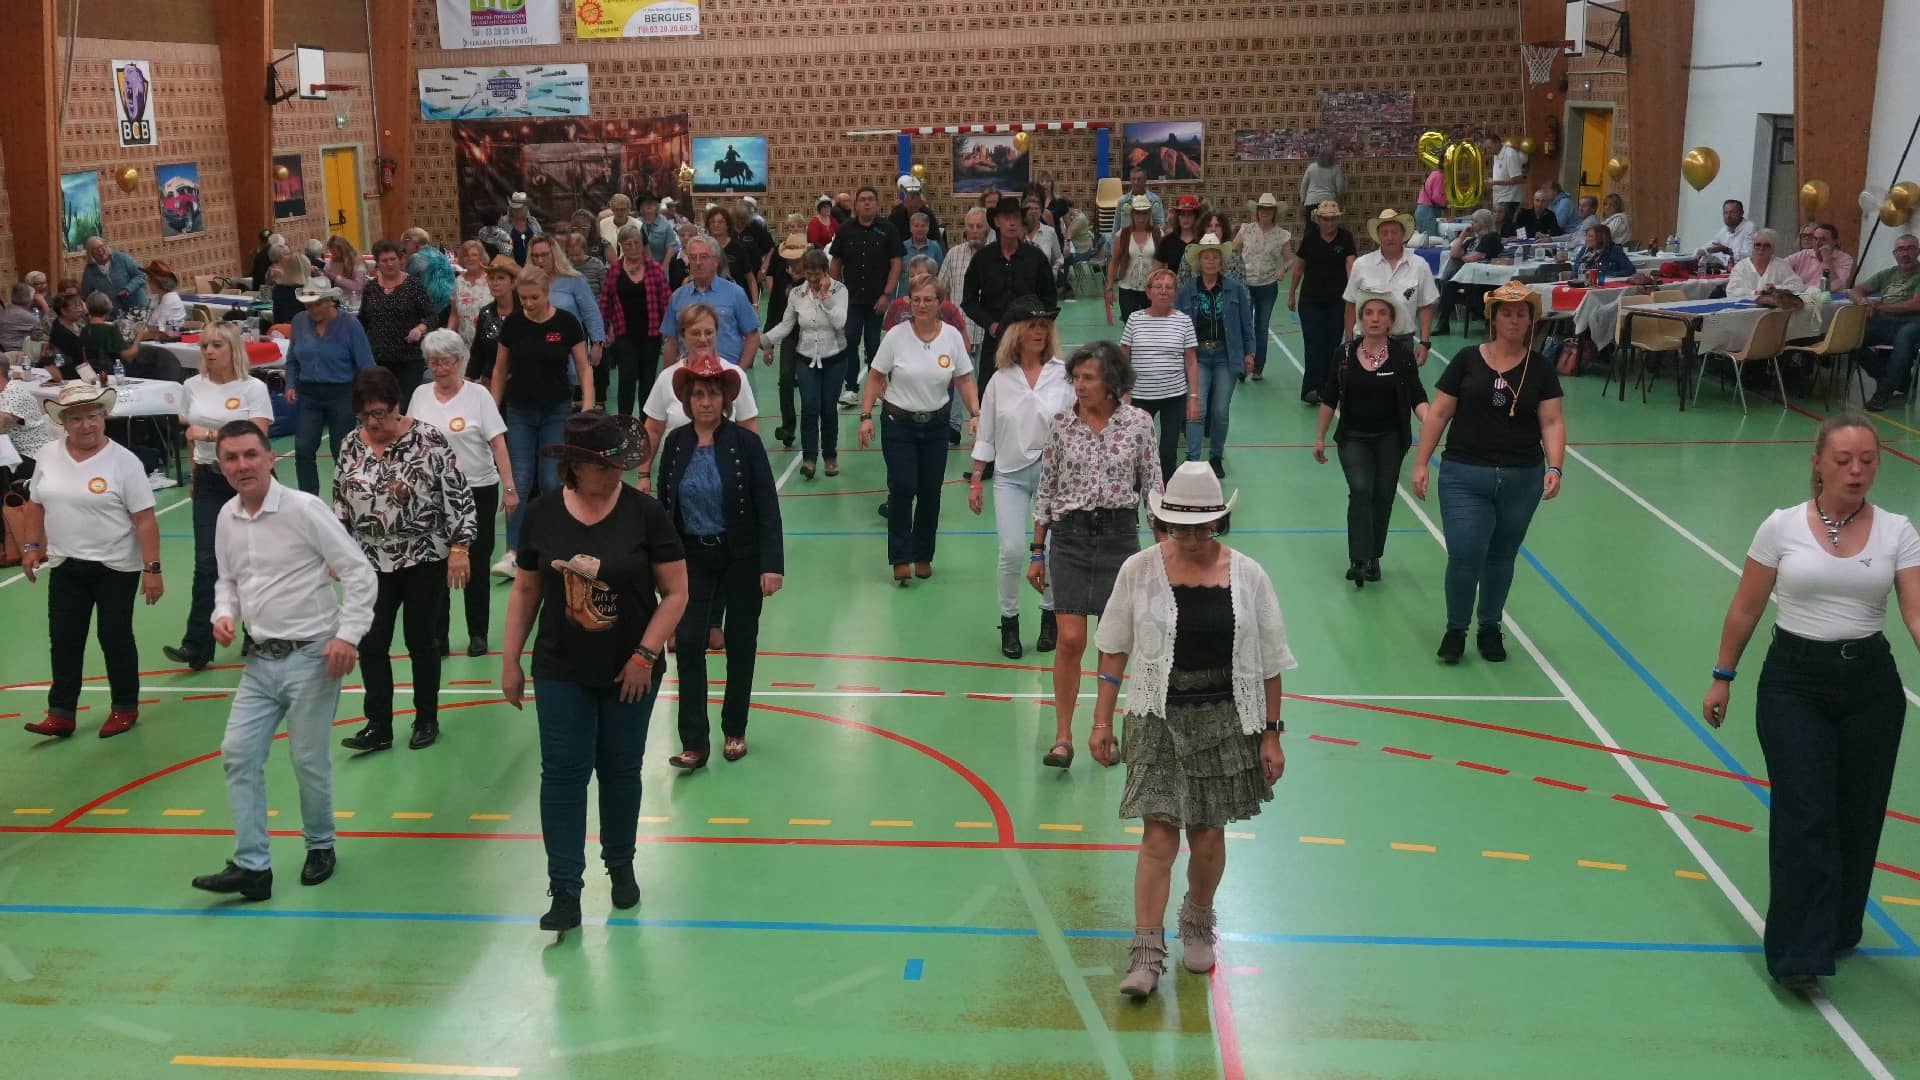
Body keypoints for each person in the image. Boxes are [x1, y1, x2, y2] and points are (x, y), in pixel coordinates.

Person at [1699, 414, 1920, 995]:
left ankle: (1841, 924)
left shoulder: (1899, 530)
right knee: (1805, 811)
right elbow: (1746, 607)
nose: (1856, 470)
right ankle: (1797, 953)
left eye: (1868, 460)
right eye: (1844, 459)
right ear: (1818, 462)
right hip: (1792, 682)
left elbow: (1916, 614)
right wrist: (1723, 675)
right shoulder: (1780, 527)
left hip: (1871, 685)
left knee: (1858, 810)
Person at [1090, 461, 1291, 998]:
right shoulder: (1138, 569)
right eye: (1180, 526)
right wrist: (1101, 719)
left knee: (1207, 834)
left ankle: (1198, 921)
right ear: (1164, 523)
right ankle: (1146, 953)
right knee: (1158, 835)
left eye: (1201, 527)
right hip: (1158, 716)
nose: (1191, 536)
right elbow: (1113, 647)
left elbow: (1271, 660)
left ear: (1218, 523)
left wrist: (1271, 733)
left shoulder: (1248, 575)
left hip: (1227, 719)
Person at [502, 411, 688, 933]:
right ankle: (565, 888)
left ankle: (621, 864)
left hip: (632, 668)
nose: (616, 474)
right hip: (561, 667)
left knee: (621, 769)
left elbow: (676, 594)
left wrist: (644, 657)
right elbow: (525, 590)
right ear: (575, 468)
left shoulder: (646, 514)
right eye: (605, 466)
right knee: (562, 773)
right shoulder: (541, 515)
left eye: (621, 465)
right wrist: (510, 658)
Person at [187, 421, 377, 902]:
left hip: (313, 657)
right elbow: (226, 581)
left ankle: (320, 844)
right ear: (222, 465)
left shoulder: (304, 509)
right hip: (259, 660)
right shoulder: (227, 517)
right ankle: (253, 866)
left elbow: (359, 573)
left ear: (272, 458)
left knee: (307, 760)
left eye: (250, 454)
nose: (241, 465)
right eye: (230, 458)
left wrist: (347, 636)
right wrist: (224, 614)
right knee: (238, 753)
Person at [1411, 280, 1567, 665]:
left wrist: (1555, 466)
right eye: (1507, 313)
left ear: (1531, 320)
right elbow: (1440, 413)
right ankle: (1456, 628)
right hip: (1464, 474)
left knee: (1502, 556)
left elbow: (1551, 421)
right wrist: (1420, 462)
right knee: (1464, 554)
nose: (1514, 320)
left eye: (1521, 314)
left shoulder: (1542, 368)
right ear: (1493, 318)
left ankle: (1491, 627)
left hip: (1522, 477)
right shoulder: (1466, 359)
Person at [1029, 341, 1161, 768]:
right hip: (1069, 537)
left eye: (1089, 378)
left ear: (1112, 382)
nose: (1079, 385)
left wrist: (1163, 554)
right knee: (1070, 639)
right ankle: (1062, 736)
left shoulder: (1139, 424)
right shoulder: (1062, 424)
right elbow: (1047, 488)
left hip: (1120, 538)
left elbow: (1153, 488)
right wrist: (1037, 549)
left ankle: (1102, 729)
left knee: (1112, 641)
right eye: (1077, 377)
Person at [333, 367, 475, 753]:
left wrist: (460, 549)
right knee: (371, 641)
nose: (373, 423)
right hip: (369, 560)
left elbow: (458, 497)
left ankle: (426, 718)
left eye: (379, 413)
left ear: (397, 406)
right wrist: (336, 550)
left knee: (421, 641)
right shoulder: (350, 444)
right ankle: (378, 724)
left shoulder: (428, 439)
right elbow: (340, 501)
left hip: (423, 556)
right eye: (364, 416)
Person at [657, 356, 784, 769]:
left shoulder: (744, 443)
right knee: (689, 642)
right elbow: (665, 508)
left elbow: (767, 502)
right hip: (692, 556)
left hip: (741, 556)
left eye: (713, 394)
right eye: (698, 394)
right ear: (688, 400)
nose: (706, 402)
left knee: (741, 643)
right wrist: (660, 565)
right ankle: (694, 742)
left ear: (726, 399)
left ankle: (735, 729)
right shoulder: (675, 444)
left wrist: (772, 564)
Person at [17, 381, 161, 739]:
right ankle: (61, 713)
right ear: (63, 422)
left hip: (116, 565)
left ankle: (125, 706)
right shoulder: (48, 455)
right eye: (77, 418)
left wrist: (152, 569)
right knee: (64, 638)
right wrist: (32, 545)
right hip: (66, 564)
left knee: (114, 637)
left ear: (104, 417)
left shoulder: (125, 462)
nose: (86, 425)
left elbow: (144, 519)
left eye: (93, 416)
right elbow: (36, 502)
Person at [162, 323, 272, 671]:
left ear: (233, 349)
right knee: (207, 562)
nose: (209, 352)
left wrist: (210, 434)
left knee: (254, 559)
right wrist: (195, 470)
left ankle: (258, 633)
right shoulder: (191, 386)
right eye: (205, 345)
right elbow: (190, 435)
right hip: (209, 479)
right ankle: (197, 645)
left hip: (248, 481)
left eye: (218, 345)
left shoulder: (253, 387)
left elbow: (257, 435)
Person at [857, 274, 979, 585]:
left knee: (929, 492)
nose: (922, 305)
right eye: (916, 299)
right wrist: (866, 415)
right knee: (902, 487)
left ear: (940, 303)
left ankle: (923, 554)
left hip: (936, 426)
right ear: (909, 302)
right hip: (899, 424)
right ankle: (900, 556)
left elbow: (964, 379)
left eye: (929, 299)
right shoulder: (896, 336)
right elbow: (874, 377)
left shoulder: (951, 336)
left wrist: (975, 413)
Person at [969, 297, 1070, 658]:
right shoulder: (1000, 379)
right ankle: (1009, 621)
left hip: (1054, 477)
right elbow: (988, 433)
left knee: (1054, 550)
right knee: (1011, 550)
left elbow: (1076, 424)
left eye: (1044, 325)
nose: (1039, 331)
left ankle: (1049, 616)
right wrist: (977, 478)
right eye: (1032, 325)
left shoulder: (1063, 373)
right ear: (1017, 333)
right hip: (1010, 475)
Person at [1313, 295, 1430, 587]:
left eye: (1381, 314)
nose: (1374, 318)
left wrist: (1431, 422)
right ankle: (1358, 559)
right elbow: (1329, 397)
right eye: (1368, 313)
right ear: (1360, 320)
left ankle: (1374, 555)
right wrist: (1319, 437)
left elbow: (1417, 395)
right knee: (1361, 489)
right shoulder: (1344, 354)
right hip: (1353, 437)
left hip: (1391, 437)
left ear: (1391, 321)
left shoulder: (1403, 356)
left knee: (1383, 495)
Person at [411, 330, 514, 657]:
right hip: (433, 493)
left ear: (460, 361)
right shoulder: (419, 394)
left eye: (446, 362)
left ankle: (477, 634)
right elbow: (410, 444)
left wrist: (509, 487)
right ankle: (438, 637)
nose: (439, 368)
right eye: (433, 362)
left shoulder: (479, 396)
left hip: (477, 489)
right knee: (437, 564)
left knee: (477, 563)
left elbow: (498, 442)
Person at [490, 268, 592, 577]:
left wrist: (587, 405)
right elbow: (498, 370)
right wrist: (492, 411)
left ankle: (555, 544)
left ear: (547, 294)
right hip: (519, 412)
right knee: (518, 481)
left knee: (551, 481)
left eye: (535, 298)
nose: (529, 304)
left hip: (556, 411)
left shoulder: (567, 323)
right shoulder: (513, 324)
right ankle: (513, 551)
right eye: (523, 298)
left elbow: (584, 367)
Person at [762, 248, 847, 479]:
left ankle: (830, 457)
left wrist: (825, 297)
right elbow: (786, 325)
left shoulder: (840, 290)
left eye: (816, 275)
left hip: (834, 358)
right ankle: (809, 459)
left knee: (828, 408)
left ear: (825, 271)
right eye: (807, 274)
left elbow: (840, 322)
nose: (811, 280)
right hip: (806, 356)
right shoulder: (797, 294)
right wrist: (764, 340)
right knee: (809, 407)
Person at [284, 284, 375, 495]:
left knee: (341, 450)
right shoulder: (298, 322)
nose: (312, 310)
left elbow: (366, 365)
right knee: (303, 448)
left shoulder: (350, 325)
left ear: (329, 301)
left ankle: (347, 499)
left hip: (342, 394)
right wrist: (290, 384)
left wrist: (367, 401)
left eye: (317, 304)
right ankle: (309, 500)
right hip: (308, 394)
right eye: (308, 305)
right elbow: (292, 360)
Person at [1177, 236, 1255, 477]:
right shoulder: (1188, 290)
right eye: (1206, 257)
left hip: (1225, 356)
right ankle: (1192, 458)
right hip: (1197, 356)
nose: (1211, 261)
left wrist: (1250, 352)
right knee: (1196, 409)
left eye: (1215, 257)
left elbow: (1246, 323)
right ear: (1199, 262)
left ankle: (1216, 457)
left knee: (1220, 410)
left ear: (1222, 262)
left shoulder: (1235, 289)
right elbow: (1179, 323)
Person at [1122, 269, 1201, 481]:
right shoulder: (1134, 319)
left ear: (1175, 293)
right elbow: (1123, 359)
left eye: (1169, 287)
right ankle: (1134, 492)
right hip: (1140, 396)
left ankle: (1165, 492)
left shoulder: (1184, 321)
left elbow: (1192, 362)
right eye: (1158, 287)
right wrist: (1124, 392)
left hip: (1173, 396)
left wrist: (1193, 397)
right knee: (1136, 447)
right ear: (1148, 292)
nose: (1163, 291)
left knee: (1167, 451)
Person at [829, 186, 901, 406]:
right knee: (849, 340)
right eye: (862, 200)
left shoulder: (888, 229)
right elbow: (836, 262)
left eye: (871, 199)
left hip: (877, 299)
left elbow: (896, 263)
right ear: (856, 204)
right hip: (850, 300)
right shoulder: (845, 230)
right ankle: (850, 388)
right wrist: (835, 291)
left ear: (876, 203)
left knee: (874, 344)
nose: (867, 203)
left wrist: (886, 294)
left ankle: (877, 386)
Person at [1344, 209, 1437, 364]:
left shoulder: (1420, 265)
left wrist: (1424, 343)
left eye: (1394, 232)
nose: (1390, 237)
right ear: (1378, 236)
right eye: (1384, 232)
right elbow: (1350, 303)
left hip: (1403, 343)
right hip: (1366, 342)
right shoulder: (1361, 265)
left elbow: (1426, 306)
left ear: (1403, 234)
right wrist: (1348, 341)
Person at [599, 223, 672, 419]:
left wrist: (668, 329)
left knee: (648, 381)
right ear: (622, 245)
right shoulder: (614, 270)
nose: (632, 247)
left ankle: (646, 426)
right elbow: (605, 302)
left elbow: (667, 300)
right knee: (626, 380)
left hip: (652, 334)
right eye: (628, 244)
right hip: (624, 334)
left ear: (642, 244)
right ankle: (624, 423)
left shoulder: (654, 269)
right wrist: (603, 331)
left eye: (636, 243)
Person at [660, 235, 761, 368]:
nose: (698, 262)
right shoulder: (678, 297)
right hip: (689, 374)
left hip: (726, 374)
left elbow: (753, 336)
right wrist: (669, 379)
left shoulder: (735, 293)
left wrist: (739, 371)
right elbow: (671, 342)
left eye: (704, 257)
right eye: (693, 257)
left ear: (716, 261)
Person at [1851, 233, 1920, 412]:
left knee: (1904, 342)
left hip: (1912, 322)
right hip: (1884, 322)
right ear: (1894, 254)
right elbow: (1857, 290)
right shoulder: (1887, 273)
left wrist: (1880, 307)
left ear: (1918, 251)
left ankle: (1883, 393)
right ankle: (1890, 380)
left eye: (1909, 248)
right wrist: (1862, 301)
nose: (1905, 253)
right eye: (1900, 249)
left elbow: (1916, 304)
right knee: (1851, 339)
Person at [360, 240, 434, 401]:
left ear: (400, 260)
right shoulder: (370, 288)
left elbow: (431, 316)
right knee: (383, 402)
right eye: (384, 260)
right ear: (377, 264)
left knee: (405, 404)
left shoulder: (414, 285)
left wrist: (419, 329)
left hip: (409, 357)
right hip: (379, 358)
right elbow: (363, 320)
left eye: (393, 259)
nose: (389, 264)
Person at [526, 234, 606, 377]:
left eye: (544, 255)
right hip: (535, 352)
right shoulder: (526, 284)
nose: (540, 260)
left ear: (554, 254)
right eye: (535, 256)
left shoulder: (574, 280)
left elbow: (591, 312)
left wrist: (597, 343)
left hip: (569, 352)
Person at [1234, 194, 1292, 380]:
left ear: (1274, 212)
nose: (1265, 212)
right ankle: (1243, 367)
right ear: (1257, 211)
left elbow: (1290, 259)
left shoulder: (1282, 235)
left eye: (1268, 209)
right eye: (1262, 209)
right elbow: (1233, 252)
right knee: (1245, 326)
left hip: (1268, 286)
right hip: (1245, 285)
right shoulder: (1246, 230)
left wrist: (1283, 268)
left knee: (1261, 327)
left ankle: (1258, 368)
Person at [1434, 209, 1504, 336]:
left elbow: (1472, 258)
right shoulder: (1473, 240)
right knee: (1448, 284)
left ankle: (1444, 323)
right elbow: (1453, 253)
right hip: (1469, 277)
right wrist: (1462, 237)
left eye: (1475, 221)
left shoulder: (1491, 238)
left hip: (1484, 280)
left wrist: (1462, 256)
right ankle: (1443, 323)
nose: (1471, 224)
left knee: (1449, 283)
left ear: (1484, 223)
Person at [1106, 196, 1162, 325]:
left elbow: (1164, 263)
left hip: (1152, 290)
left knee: (1151, 326)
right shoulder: (1122, 235)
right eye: (1137, 213)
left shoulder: (1158, 234)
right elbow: (1114, 262)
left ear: (1149, 214)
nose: (1141, 217)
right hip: (1127, 289)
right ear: (1132, 214)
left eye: (1144, 213)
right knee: (1130, 327)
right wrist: (1109, 288)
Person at [467, 256, 520, 386]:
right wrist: (467, 381)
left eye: (501, 278)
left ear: (512, 283)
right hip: (490, 383)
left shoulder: (525, 312)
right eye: (491, 278)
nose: (495, 283)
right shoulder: (485, 313)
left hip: (521, 385)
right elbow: (477, 352)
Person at [1728, 229, 1817, 302]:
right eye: (1758, 245)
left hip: (1773, 310)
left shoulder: (1781, 265)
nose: (1761, 248)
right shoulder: (1741, 266)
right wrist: (1755, 292)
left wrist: (1775, 289)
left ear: (1772, 249)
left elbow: (1798, 286)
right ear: (1752, 247)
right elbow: (1731, 291)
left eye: (1766, 245)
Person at [705, 205, 759, 306]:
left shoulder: (738, 248)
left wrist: (755, 304)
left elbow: (750, 279)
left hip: (736, 300)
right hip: (711, 301)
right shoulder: (703, 247)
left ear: (728, 225)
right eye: (712, 221)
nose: (716, 225)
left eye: (720, 222)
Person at [80, 237, 148, 315]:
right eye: (95, 249)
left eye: (101, 246)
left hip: (138, 307)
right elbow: (85, 295)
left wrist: (128, 289)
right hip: (116, 314)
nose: (100, 251)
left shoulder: (121, 258)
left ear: (106, 246)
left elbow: (141, 274)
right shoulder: (89, 271)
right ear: (90, 253)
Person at [1560, 221, 1637, 283]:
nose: (1587, 239)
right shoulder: (1584, 250)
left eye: (1590, 236)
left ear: (1600, 238)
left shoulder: (1614, 251)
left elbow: (1630, 270)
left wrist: (1608, 274)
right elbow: (1575, 271)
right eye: (1587, 236)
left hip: (1605, 286)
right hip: (1582, 285)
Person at [449, 240, 493, 345]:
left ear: (481, 257)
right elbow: (454, 314)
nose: (470, 258)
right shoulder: (458, 281)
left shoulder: (492, 279)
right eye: (466, 255)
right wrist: (448, 335)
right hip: (464, 344)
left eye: (474, 255)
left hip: (490, 344)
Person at [1787, 222, 1852, 293]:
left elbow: (1833, 286)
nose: (1818, 243)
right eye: (1815, 239)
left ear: (1834, 241)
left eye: (1823, 239)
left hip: (1829, 298)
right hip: (1802, 295)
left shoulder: (1845, 259)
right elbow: (1781, 266)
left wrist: (1827, 259)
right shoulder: (1803, 254)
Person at [1696, 199, 1757, 269]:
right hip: (1728, 270)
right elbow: (1711, 245)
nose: (1728, 216)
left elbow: (1750, 255)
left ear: (1741, 213)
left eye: (1732, 212)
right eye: (1725, 213)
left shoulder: (1750, 228)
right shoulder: (1724, 230)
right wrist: (1702, 251)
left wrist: (1727, 250)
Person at [897, 212, 945, 297]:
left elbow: (940, 274)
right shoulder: (902, 247)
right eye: (916, 226)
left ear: (928, 228)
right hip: (905, 296)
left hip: (928, 296)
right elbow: (896, 273)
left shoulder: (935, 247)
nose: (919, 229)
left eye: (923, 226)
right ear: (910, 228)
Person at [888, 174, 943, 243]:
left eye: (915, 207)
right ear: (905, 203)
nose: (913, 208)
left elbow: (935, 238)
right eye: (910, 206)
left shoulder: (928, 215)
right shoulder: (896, 215)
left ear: (921, 203)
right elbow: (889, 237)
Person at [1155, 195, 1204, 273]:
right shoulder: (1167, 241)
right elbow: (1156, 271)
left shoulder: (1203, 241)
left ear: (1196, 217)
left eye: (1190, 214)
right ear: (1178, 217)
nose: (1186, 218)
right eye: (1182, 214)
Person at [1300, 148, 1347, 222]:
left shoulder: (1311, 167)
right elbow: (1340, 188)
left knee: (1311, 229)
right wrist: (1339, 201)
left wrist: (1303, 201)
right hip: (1330, 203)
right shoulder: (1336, 168)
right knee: (1328, 229)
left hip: (1311, 202)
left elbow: (1304, 185)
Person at [1487, 135, 1527, 220]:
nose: (1488, 150)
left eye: (1489, 147)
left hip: (1510, 199)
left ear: (1497, 143)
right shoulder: (1496, 154)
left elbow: (1518, 179)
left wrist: (1495, 182)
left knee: (1508, 227)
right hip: (1499, 198)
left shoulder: (1510, 154)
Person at [499, 192, 542, 265]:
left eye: (519, 209)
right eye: (514, 209)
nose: (516, 211)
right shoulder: (504, 223)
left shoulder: (533, 222)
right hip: (510, 265)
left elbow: (541, 240)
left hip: (533, 265)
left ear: (526, 208)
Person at [324, 236, 367, 308]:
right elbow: (325, 282)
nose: (333, 255)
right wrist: (320, 274)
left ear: (343, 250)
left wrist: (336, 278)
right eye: (331, 252)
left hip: (356, 303)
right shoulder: (331, 262)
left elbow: (358, 286)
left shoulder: (357, 262)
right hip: (338, 302)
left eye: (335, 252)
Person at [1119, 167, 1166, 233]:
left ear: (1145, 180)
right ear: (1130, 180)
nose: (1136, 182)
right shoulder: (1122, 200)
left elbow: (1160, 223)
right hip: (1126, 239)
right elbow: (1116, 224)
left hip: (1148, 239)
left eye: (1139, 179)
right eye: (1133, 179)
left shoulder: (1155, 200)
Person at [0, 284, 42, 352]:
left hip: (4, 350)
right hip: (16, 353)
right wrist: (44, 304)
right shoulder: (27, 317)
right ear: (30, 299)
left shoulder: (6, 310)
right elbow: (48, 330)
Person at [1414, 165, 1447, 236]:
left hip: (1423, 210)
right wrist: (1446, 203)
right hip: (1428, 212)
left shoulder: (1434, 174)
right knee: (1430, 240)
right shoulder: (1439, 176)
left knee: (1424, 240)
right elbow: (1436, 197)